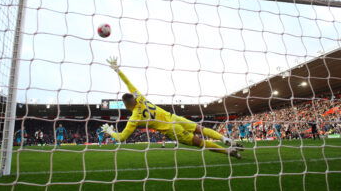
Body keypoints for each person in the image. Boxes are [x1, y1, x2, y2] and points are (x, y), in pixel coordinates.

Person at [102, 56, 243, 159]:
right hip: (174, 117)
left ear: (126, 105)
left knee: (201, 143)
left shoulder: (134, 118)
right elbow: (128, 83)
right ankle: (225, 139)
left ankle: (229, 151)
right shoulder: (140, 98)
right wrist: (117, 70)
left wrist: (110, 131)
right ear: (134, 98)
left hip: (171, 129)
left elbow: (121, 138)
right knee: (201, 129)